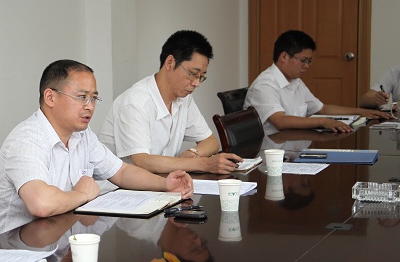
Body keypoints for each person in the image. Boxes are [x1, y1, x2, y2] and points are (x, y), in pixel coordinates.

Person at [0, 59, 194, 236]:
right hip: (15, 252)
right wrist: (83, 194)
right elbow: (41, 203)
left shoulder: (81, 134)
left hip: (59, 240)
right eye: (81, 97)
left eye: (93, 98)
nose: (90, 106)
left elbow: (121, 172)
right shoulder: (26, 140)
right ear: (50, 97)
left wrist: (164, 184)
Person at [98, 30, 242, 175]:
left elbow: (211, 142)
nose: (196, 83)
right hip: (118, 187)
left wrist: (193, 153)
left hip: (162, 182)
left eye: (201, 76)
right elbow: (142, 162)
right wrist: (203, 164)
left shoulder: (184, 98)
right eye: (193, 74)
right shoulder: (135, 102)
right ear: (170, 63)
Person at [244, 30, 391, 135]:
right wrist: (323, 122)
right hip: (271, 152)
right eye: (303, 60)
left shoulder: (296, 82)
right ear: (284, 57)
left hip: (292, 145)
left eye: (309, 61)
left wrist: (361, 112)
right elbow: (280, 121)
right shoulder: (265, 85)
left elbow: (322, 108)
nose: (306, 66)